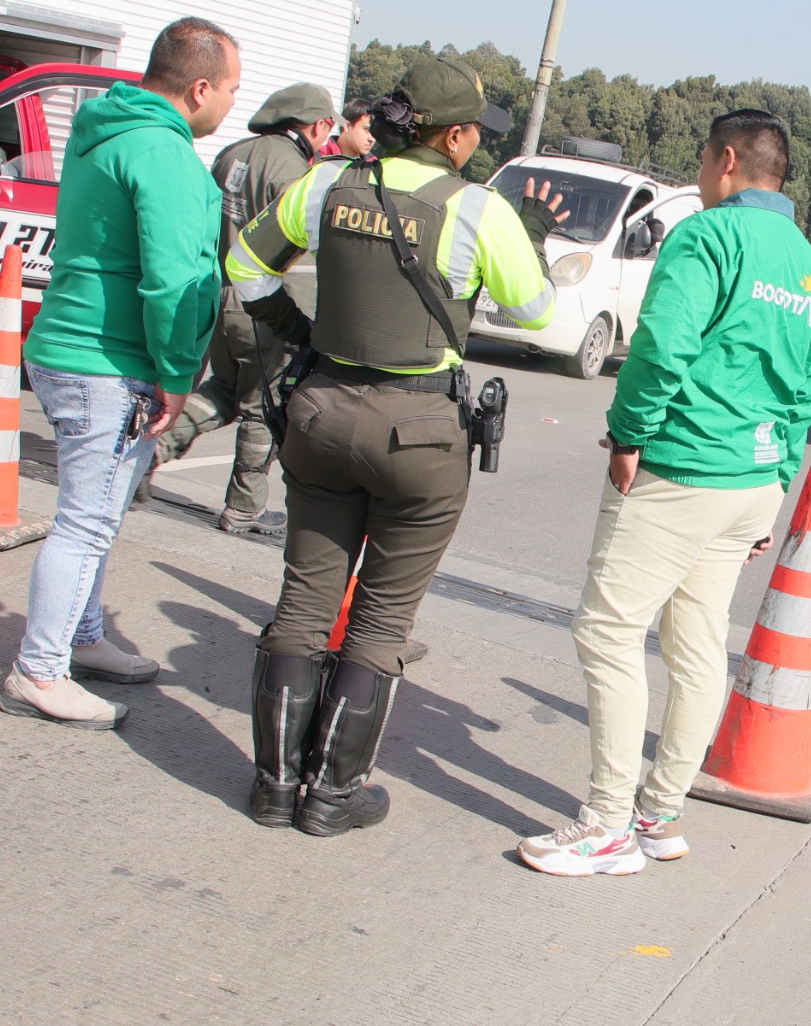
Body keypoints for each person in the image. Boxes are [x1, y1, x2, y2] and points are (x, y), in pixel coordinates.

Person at [226, 55, 560, 835]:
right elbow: (537, 311)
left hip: (320, 412)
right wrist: (531, 231)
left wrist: (300, 335)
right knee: (378, 624)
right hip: (418, 433)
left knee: (304, 603)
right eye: (477, 129)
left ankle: (274, 786)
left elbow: (245, 265)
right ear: (452, 136)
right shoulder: (479, 210)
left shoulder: (327, 184)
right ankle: (331, 797)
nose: (479, 141)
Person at [517, 109, 811, 877]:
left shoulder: (707, 236)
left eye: (703, 160)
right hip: (751, 482)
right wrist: (777, 481)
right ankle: (660, 816)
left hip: (683, 468)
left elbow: (662, 343)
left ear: (726, 160)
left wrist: (629, 435)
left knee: (608, 632)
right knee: (696, 644)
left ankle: (606, 825)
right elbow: (804, 393)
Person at [0, 18, 240, 729]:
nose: (230, 102)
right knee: (87, 520)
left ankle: (82, 637)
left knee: (97, 513)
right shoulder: (163, 153)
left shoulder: (110, 130)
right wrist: (175, 372)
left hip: (73, 349)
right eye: (228, 88)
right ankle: (39, 671)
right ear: (199, 88)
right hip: (110, 361)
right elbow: (171, 277)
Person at [144, 83, 341, 534]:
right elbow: (303, 247)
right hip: (264, 303)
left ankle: (153, 450)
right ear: (315, 125)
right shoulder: (294, 169)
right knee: (261, 406)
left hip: (220, 294)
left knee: (223, 391)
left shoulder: (232, 154)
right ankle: (245, 508)